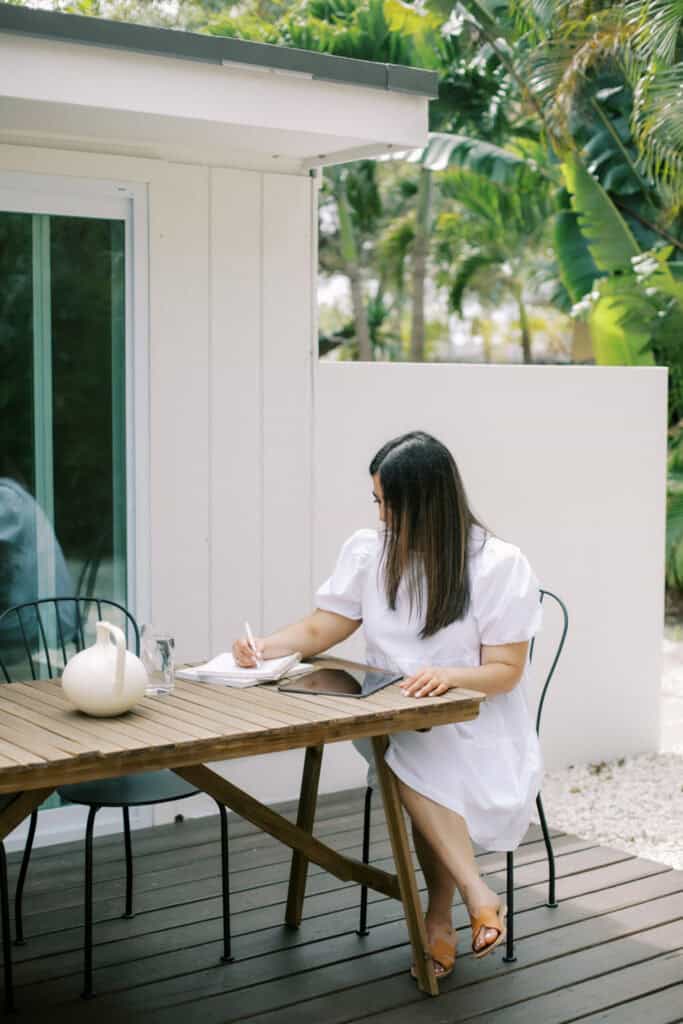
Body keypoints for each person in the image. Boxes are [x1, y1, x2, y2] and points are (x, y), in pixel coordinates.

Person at [232, 430, 543, 980]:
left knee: (414, 752)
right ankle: (469, 897)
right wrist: (263, 649)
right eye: (376, 501)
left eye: (388, 503)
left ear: (425, 501)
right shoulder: (370, 551)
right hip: (386, 713)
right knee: (401, 742)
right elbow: (322, 626)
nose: (380, 516)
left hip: (474, 719)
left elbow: (506, 671)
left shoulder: (497, 564)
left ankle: (444, 912)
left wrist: (447, 676)